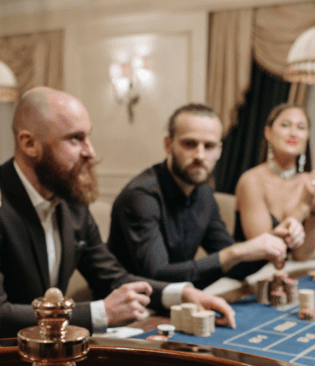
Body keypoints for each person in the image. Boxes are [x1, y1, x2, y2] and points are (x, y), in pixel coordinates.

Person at [0, 88, 235, 340]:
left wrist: (180, 294)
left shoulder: (72, 202)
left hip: (51, 356)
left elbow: (112, 277)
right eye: (75, 139)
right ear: (29, 144)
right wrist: (100, 313)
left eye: (88, 138)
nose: (90, 152)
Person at [108, 103, 296, 289]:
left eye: (209, 146)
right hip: (132, 310)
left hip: (176, 302)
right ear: (168, 145)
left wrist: (275, 241)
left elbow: (234, 268)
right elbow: (157, 275)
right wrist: (235, 252)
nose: (200, 155)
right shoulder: (141, 197)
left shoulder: (204, 194)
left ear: (219, 150)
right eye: (189, 144)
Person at [234, 103, 315, 263]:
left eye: (301, 127)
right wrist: (305, 202)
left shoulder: (308, 182)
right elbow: (265, 252)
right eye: (285, 125)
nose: (293, 133)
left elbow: (301, 255)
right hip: (250, 272)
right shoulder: (252, 180)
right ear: (268, 133)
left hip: (287, 272)